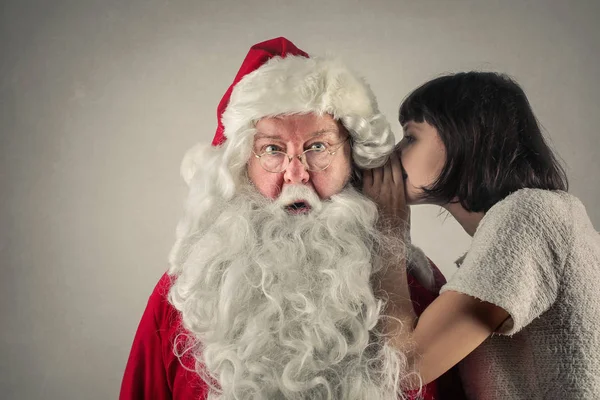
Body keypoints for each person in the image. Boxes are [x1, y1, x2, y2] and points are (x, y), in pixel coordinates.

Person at [119, 37, 463, 400]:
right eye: (272, 149)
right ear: (242, 164)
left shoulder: (412, 290)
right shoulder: (188, 297)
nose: (296, 175)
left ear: (353, 156)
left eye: (318, 147)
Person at [364, 71, 600, 399]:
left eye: (410, 137)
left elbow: (406, 367)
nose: (395, 153)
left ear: (466, 137)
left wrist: (387, 230)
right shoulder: (532, 223)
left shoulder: (531, 216)